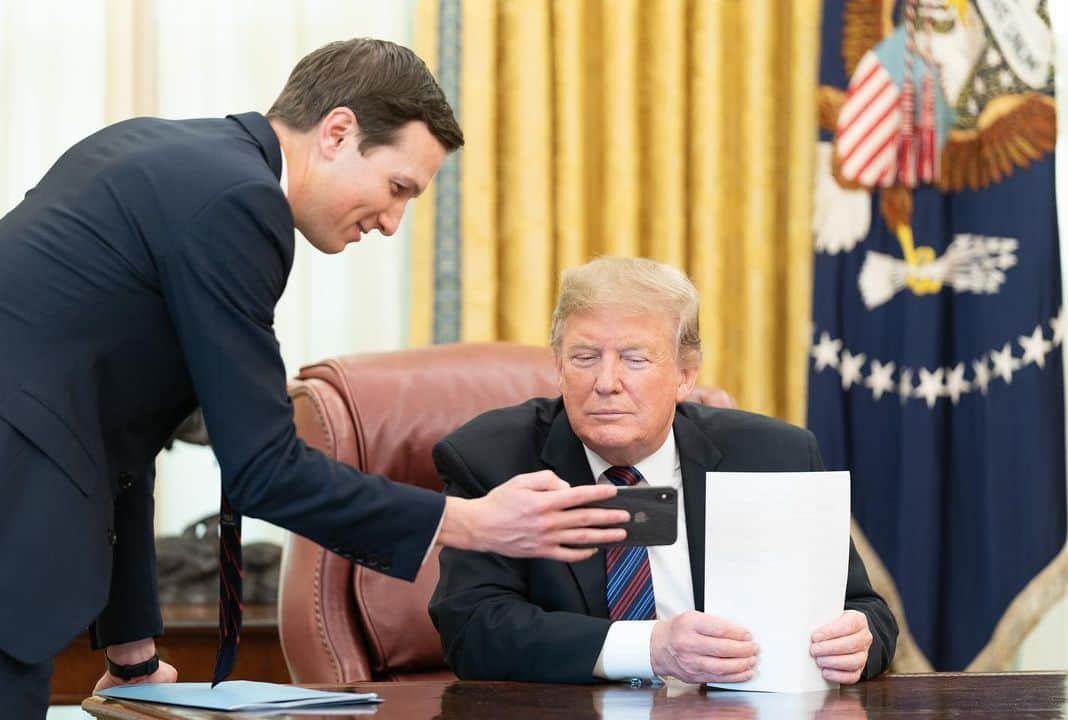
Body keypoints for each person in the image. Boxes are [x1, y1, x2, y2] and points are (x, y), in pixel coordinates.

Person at [0, 38, 628, 716]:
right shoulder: (239, 204)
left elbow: (115, 437)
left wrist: (134, 656)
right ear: (337, 132)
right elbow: (265, 469)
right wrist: (470, 521)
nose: (392, 223)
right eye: (397, 189)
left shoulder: (149, 153)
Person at [429, 256, 898, 685]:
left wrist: (858, 642)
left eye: (634, 359)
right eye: (584, 357)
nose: (606, 383)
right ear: (557, 365)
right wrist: (649, 648)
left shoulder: (776, 456)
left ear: (685, 375)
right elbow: (473, 631)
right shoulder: (492, 459)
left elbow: (864, 609)